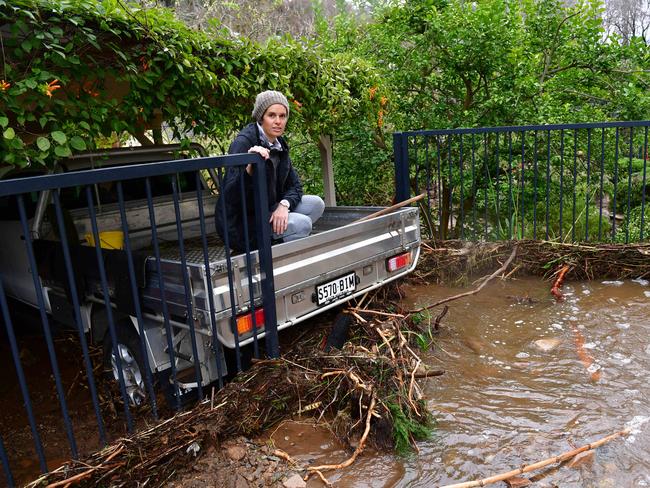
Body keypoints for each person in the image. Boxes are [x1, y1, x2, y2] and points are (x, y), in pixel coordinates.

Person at [215, 90, 325, 252]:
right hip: (243, 222)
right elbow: (231, 196)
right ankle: (279, 259)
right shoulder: (244, 143)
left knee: (316, 204)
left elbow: (295, 186)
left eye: (282, 116)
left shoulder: (279, 143)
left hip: (269, 208)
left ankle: (277, 238)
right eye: (272, 115)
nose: (278, 121)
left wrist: (283, 206)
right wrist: (249, 169)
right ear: (261, 117)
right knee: (301, 224)